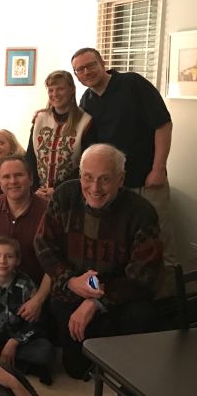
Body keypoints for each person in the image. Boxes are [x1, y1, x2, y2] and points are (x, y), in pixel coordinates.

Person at [34, 144, 164, 380]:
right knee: (76, 370)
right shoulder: (64, 195)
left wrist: (96, 302)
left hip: (121, 299)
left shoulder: (141, 212)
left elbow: (144, 275)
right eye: (88, 177)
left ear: (120, 179)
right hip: (72, 292)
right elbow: (44, 245)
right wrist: (70, 281)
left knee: (141, 318)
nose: (95, 188)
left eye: (105, 179)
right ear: (80, 175)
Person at [72, 47, 174, 268]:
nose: (87, 72)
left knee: (159, 244)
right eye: (80, 69)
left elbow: (163, 125)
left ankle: (167, 290)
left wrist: (158, 168)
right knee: (124, 246)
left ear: (102, 63)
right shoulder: (87, 101)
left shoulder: (132, 84)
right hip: (114, 188)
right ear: (77, 76)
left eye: (91, 65)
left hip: (148, 181)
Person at [0, 156, 51, 324]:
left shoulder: (48, 211)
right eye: (6, 177)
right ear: (0, 182)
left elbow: (56, 264)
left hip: (35, 295)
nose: (13, 181)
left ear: (31, 179)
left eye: (18, 175)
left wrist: (38, 300)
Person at [0, 236, 54, 385]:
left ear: (17, 260)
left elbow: (34, 323)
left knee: (45, 351)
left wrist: (14, 342)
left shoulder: (26, 284)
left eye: (9, 256)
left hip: (18, 340)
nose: (2, 261)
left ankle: (8, 360)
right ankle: (18, 365)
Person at [25, 70, 94, 200]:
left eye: (60, 89)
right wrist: (34, 189)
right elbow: (30, 157)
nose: (55, 94)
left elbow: (86, 165)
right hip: (39, 194)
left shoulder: (85, 121)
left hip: (71, 194)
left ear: (72, 89)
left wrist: (58, 189)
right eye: (51, 90)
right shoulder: (40, 119)